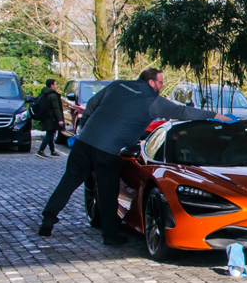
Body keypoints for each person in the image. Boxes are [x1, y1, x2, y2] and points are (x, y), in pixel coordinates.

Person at [38, 67, 234, 245]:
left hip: (85, 143)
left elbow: (91, 104)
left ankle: (47, 221)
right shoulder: (153, 101)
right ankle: (110, 235)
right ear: (151, 82)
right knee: (108, 193)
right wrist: (215, 116)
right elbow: (183, 111)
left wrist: (84, 130)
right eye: (160, 82)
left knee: (68, 182)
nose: (162, 86)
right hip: (109, 150)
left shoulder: (116, 85)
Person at [34, 79, 64, 157]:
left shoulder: (44, 94)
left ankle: (52, 151)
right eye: (55, 84)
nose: (56, 86)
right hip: (51, 118)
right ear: (51, 85)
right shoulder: (53, 95)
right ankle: (40, 150)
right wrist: (60, 120)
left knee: (50, 133)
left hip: (45, 117)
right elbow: (56, 108)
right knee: (50, 134)